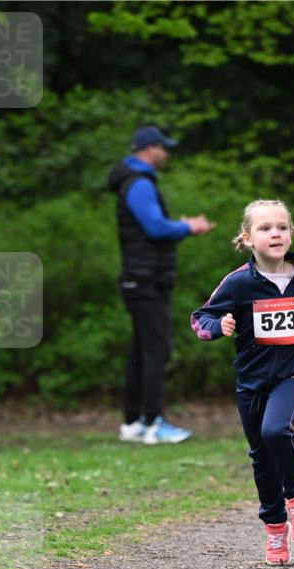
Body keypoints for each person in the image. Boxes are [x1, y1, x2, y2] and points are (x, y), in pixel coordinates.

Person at [190, 199, 294, 566]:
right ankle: (275, 528)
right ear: (247, 238)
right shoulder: (239, 283)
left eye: (282, 227)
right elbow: (200, 317)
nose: (275, 233)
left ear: (291, 233)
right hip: (251, 381)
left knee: (276, 430)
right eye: (265, 228)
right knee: (260, 456)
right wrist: (218, 326)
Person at [108, 125, 215, 444]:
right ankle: (153, 422)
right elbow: (155, 227)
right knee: (157, 348)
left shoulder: (134, 181)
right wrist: (188, 226)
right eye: (162, 148)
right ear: (148, 149)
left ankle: (133, 422)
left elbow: (152, 225)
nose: (166, 153)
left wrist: (178, 226)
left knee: (141, 349)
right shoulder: (139, 183)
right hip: (146, 280)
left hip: (140, 278)